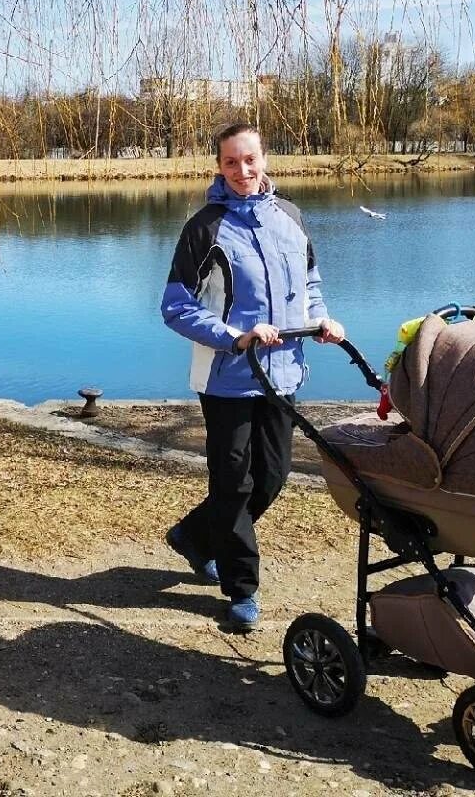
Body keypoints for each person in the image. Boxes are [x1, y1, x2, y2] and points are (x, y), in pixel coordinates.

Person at [159, 123, 344, 632]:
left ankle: (195, 537)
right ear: (219, 168)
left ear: (265, 159)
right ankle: (241, 588)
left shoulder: (291, 217)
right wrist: (234, 335)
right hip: (227, 378)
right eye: (231, 163)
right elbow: (175, 308)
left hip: (283, 374)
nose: (243, 171)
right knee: (234, 482)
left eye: (250, 160)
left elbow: (310, 283)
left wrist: (322, 320)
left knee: (273, 475)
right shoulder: (205, 228)